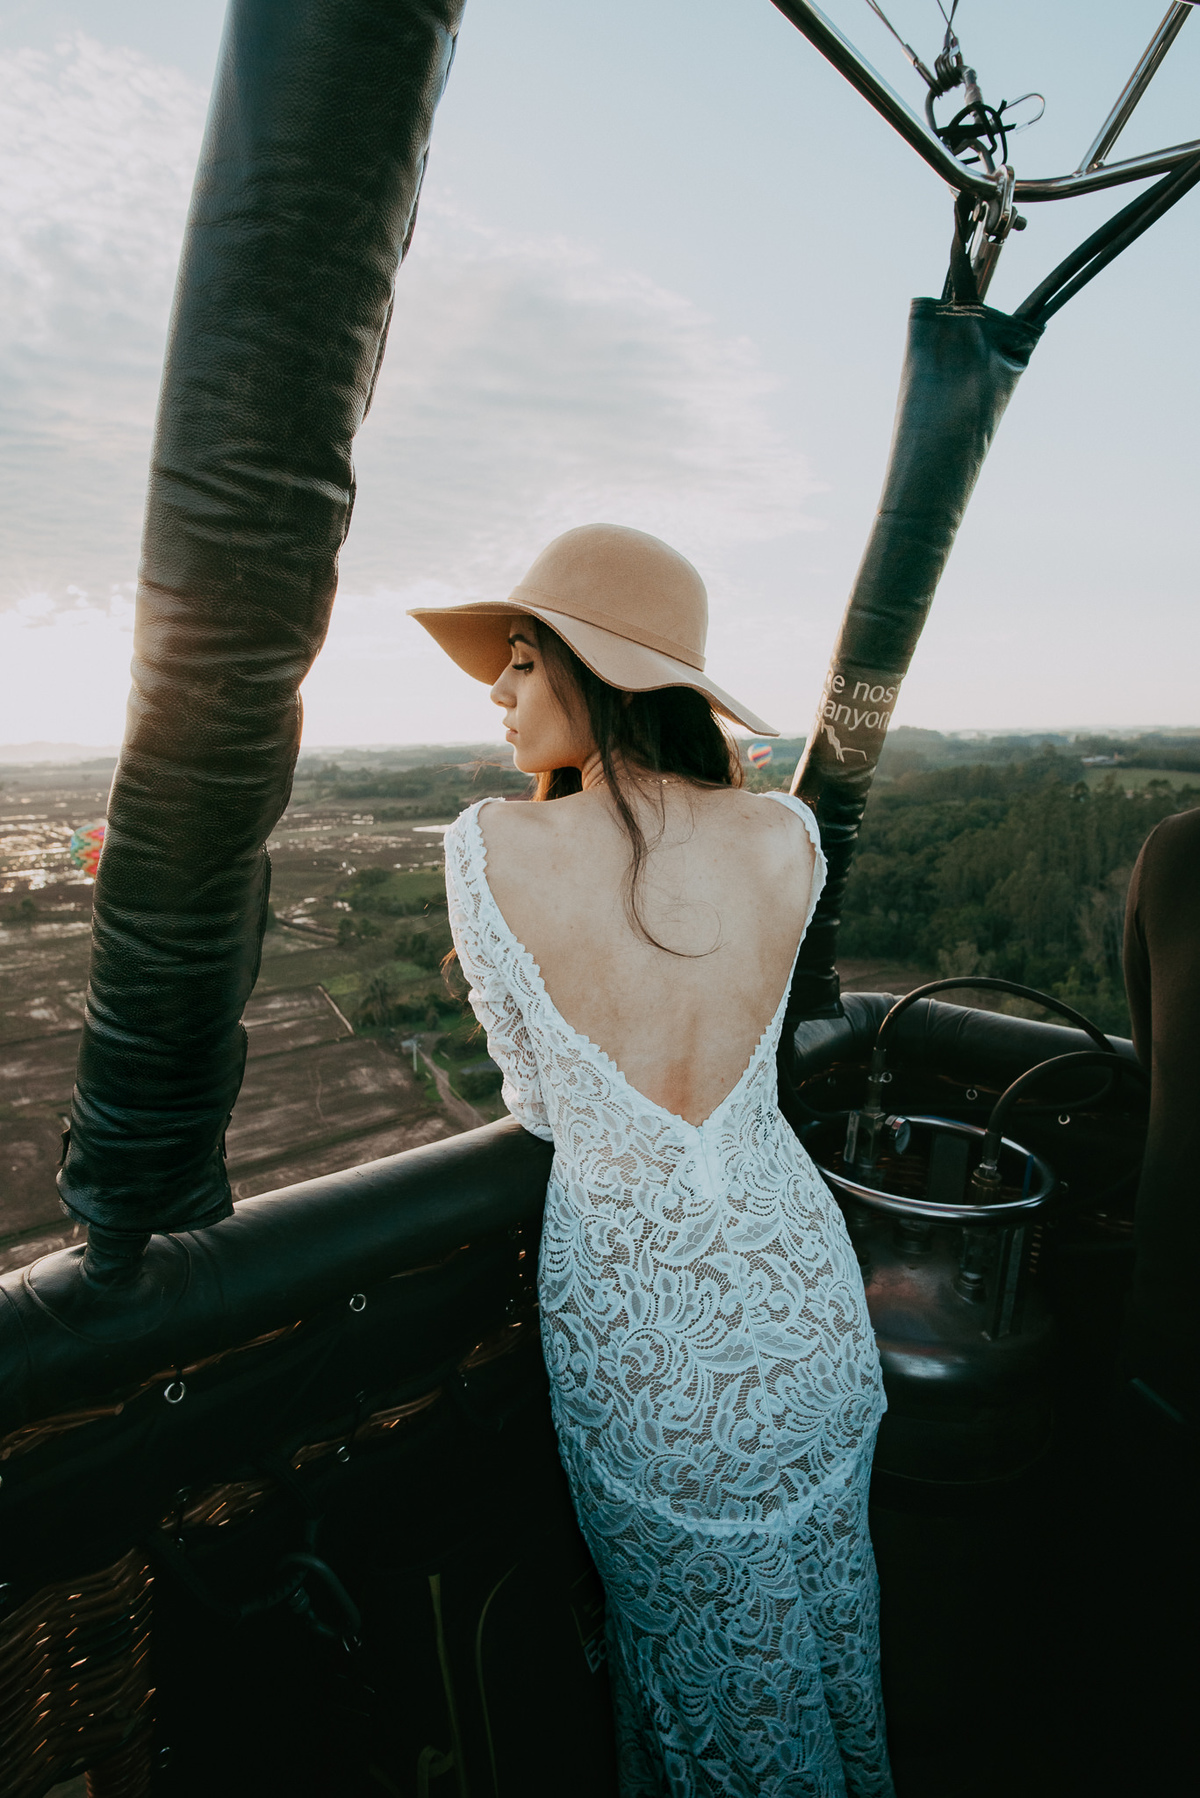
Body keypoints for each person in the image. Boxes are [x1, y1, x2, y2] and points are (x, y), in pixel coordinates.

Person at [410, 524, 894, 1798]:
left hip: (650, 1341)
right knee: (828, 1634)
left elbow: (538, 1101)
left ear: (594, 669)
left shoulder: (489, 848)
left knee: (700, 1685)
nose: (497, 693)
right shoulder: (785, 833)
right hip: (808, 1310)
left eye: (518, 661)